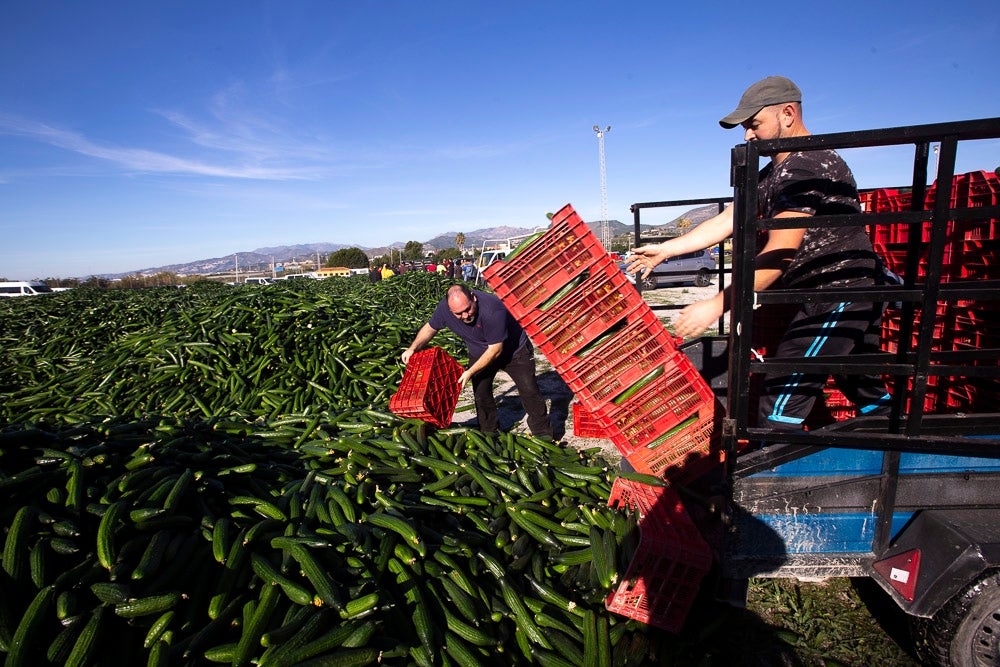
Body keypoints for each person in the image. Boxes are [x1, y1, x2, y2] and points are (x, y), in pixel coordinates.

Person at [627, 75, 891, 430]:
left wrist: (717, 303)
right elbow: (728, 220)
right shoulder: (774, 173)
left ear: (786, 114)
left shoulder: (806, 165)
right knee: (859, 382)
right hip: (831, 292)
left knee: (780, 400)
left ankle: (773, 484)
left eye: (754, 125)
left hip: (841, 291)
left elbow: (781, 250)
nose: (748, 136)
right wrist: (666, 250)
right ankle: (894, 450)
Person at [402, 284, 553, 438]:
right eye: (459, 313)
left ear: (474, 297)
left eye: (468, 309)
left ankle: (543, 435)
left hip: (514, 351)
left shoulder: (493, 309)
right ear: (449, 309)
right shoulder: (444, 309)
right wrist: (413, 348)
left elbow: (495, 350)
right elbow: (430, 328)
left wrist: (471, 371)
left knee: (529, 390)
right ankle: (489, 432)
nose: (466, 316)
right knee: (481, 393)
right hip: (479, 351)